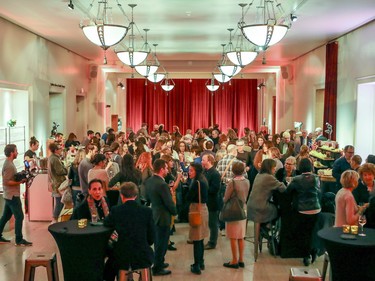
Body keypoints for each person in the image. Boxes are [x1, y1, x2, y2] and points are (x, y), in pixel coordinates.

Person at [104, 182, 155, 281]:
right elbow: (151, 238)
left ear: (121, 196)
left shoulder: (116, 210)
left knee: (113, 262)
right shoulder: (147, 211)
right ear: (136, 196)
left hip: (122, 255)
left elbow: (106, 223)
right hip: (142, 254)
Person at [286, 158, 321, 266]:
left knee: (303, 233)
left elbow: (289, 191)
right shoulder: (316, 178)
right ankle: (314, 249)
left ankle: (306, 256)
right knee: (311, 231)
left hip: (302, 209)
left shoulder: (297, 179)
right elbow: (319, 191)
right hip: (315, 208)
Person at [145, 159, 177, 276]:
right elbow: (168, 202)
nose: (168, 170)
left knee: (158, 241)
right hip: (163, 216)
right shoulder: (162, 184)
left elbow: (147, 197)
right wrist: (175, 212)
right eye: (166, 168)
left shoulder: (149, 181)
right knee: (162, 243)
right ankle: (157, 267)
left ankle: (159, 261)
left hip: (154, 213)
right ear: (162, 169)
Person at [0, 144, 32, 246]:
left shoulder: (9, 163)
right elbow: (6, 182)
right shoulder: (9, 165)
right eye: (16, 151)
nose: (17, 152)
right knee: (20, 216)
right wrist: (20, 182)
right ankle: (19, 239)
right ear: (11, 153)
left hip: (8, 195)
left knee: (5, 216)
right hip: (12, 195)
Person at [222, 162, 249, 269]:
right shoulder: (247, 181)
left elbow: (226, 198)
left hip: (233, 211)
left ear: (233, 171)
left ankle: (234, 260)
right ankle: (241, 259)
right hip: (243, 209)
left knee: (233, 237)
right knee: (241, 236)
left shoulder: (232, 183)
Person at [186, 163, 209, 275]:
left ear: (196, 171)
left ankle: (197, 265)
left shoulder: (196, 182)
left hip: (196, 209)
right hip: (204, 209)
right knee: (200, 238)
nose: (189, 172)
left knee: (196, 239)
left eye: (191, 170)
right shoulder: (203, 179)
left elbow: (189, 197)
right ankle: (201, 261)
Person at [202, 154, 221, 250]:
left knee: (213, 224)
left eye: (203, 160)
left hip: (212, 202)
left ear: (209, 161)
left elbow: (215, 189)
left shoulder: (215, 173)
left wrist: (203, 189)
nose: (201, 161)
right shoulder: (205, 171)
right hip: (206, 201)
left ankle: (212, 242)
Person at [48, 143, 68, 224]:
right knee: (59, 203)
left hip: (55, 183)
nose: (61, 150)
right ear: (56, 150)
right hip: (58, 184)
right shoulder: (55, 159)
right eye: (60, 149)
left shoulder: (52, 158)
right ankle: (55, 219)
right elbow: (60, 171)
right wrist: (65, 169)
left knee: (59, 202)